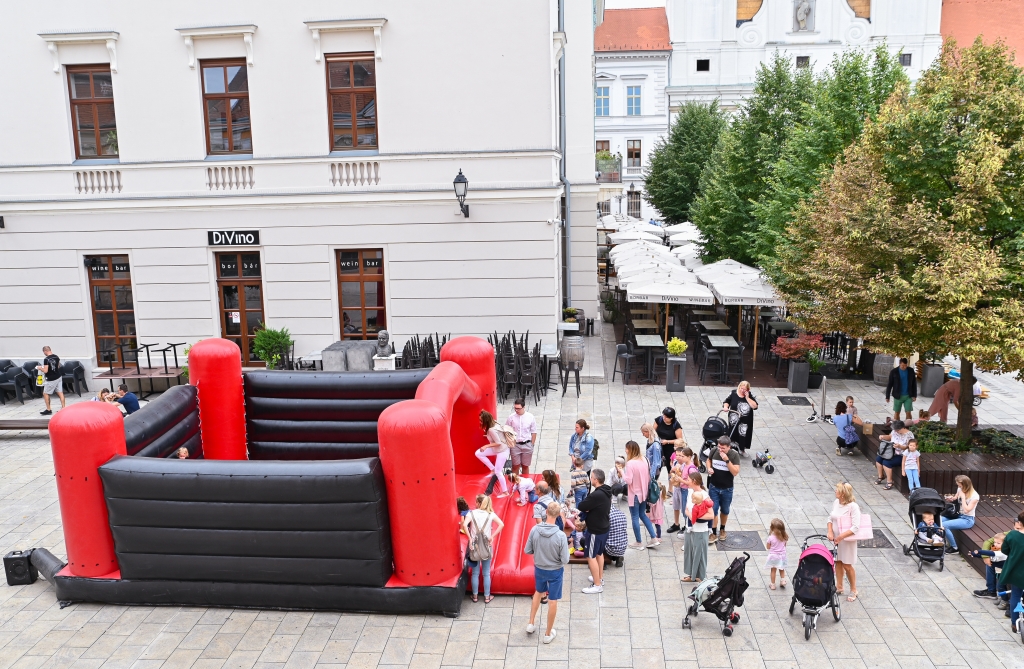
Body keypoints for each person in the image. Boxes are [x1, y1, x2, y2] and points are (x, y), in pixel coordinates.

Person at [525, 502, 570, 644]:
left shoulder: (535, 530)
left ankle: (531, 623)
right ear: (558, 515)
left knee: (538, 592)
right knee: (553, 600)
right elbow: (565, 559)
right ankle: (547, 633)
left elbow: (527, 550)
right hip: (555, 571)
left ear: (546, 512)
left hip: (539, 568)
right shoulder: (561, 535)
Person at [464, 494, 504, 603]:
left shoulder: (471, 513)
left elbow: (464, 525)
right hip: (486, 546)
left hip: (474, 546)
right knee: (486, 573)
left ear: (478, 503)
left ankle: (475, 596)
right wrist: (492, 536)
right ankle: (487, 597)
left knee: (475, 573)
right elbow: (501, 524)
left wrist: (470, 538)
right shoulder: (490, 514)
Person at [578, 469, 612, 594]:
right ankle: (599, 578)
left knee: (590, 556)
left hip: (595, 531)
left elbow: (581, 506)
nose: (590, 479)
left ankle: (597, 585)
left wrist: (588, 509)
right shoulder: (607, 491)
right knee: (599, 553)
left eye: (591, 477)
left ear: (596, 480)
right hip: (604, 528)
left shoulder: (596, 495)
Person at [827, 482, 861, 602]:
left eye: (837, 490)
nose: (835, 491)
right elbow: (830, 518)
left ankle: (853, 589)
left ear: (843, 493)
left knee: (847, 564)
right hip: (837, 539)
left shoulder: (853, 507)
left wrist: (840, 537)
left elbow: (855, 527)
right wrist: (830, 531)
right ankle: (839, 587)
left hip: (847, 540)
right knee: (838, 562)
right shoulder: (836, 502)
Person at [623, 440, 658, 550]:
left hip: (634, 495)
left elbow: (628, 481)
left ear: (630, 450)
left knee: (634, 517)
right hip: (644, 493)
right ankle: (654, 537)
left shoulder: (630, 464)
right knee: (642, 514)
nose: (625, 450)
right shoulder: (645, 459)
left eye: (626, 449)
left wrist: (621, 472)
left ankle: (639, 542)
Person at [706, 435, 740, 544]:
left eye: (723, 448)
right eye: (719, 447)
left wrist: (727, 460)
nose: (720, 450)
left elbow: (735, 472)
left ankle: (722, 529)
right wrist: (709, 468)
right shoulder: (714, 451)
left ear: (729, 447)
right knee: (714, 510)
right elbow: (708, 460)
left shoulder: (734, 455)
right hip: (714, 487)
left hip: (727, 489)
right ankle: (713, 532)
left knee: (725, 510)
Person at [681, 471, 713, 582]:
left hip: (700, 530)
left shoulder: (704, 495)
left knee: (700, 554)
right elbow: (686, 509)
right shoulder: (691, 491)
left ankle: (700, 577)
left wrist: (694, 516)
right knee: (690, 552)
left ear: (694, 481)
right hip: (690, 529)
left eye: (688, 480)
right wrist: (690, 516)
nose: (687, 482)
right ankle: (692, 575)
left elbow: (711, 515)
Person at [997, 511, 1024, 633]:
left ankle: (1015, 623)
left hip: (1015, 571)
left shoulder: (1012, 535)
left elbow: (1005, 550)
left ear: (1020, 522)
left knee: (1015, 596)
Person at [476, 411, 511, 498]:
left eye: (481, 420)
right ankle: (492, 469)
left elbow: (498, 442)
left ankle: (505, 492)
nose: (480, 422)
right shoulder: (493, 423)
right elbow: (497, 436)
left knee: (498, 472)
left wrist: (486, 446)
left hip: (502, 450)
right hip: (497, 448)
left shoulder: (491, 430)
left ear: (486, 420)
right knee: (478, 453)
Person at [943, 475, 980, 554]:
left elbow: (966, 510)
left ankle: (954, 548)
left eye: (960, 486)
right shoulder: (960, 489)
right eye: (958, 485)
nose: (959, 487)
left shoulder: (975, 496)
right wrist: (951, 498)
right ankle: (941, 541)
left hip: (967, 519)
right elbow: (956, 498)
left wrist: (963, 498)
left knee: (944, 525)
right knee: (938, 519)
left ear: (966, 485)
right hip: (957, 514)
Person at [667, 447, 698, 534]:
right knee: (682, 509)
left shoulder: (691, 468)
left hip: (687, 491)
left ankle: (687, 527)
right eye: (679, 455)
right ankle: (683, 526)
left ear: (689, 457)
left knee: (686, 510)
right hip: (681, 489)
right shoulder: (684, 465)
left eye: (682, 456)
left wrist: (681, 480)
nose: (680, 457)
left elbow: (693, 483)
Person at [876, 420, 913, 490]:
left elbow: (908, 447)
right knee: (879, 459)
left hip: (902, 455)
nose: (896, 431)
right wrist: (883, 436)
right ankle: (881, 476)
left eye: (897, 430)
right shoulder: (894, 431)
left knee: (886, 462)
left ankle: (889, 481)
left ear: (902, 428)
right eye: (895, 430)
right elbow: (890, 436)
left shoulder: (909, 435)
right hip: (891, 452)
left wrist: (900, 446)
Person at [723, 381, 758, 455]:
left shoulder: (750, 395)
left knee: (743, 434)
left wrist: (747, 398)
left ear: (748, 389)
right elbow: (727, 401)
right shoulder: (733, 393)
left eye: (744, 389)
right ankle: (730, 448)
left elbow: (755, 406)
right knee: (732, 432)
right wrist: (726, 407)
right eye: (741, 388)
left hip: (745, 420)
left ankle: (742, 449)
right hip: (734, 419)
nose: (742, 390)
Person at [506, 398, 538, 476]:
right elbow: (506, 430)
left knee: (525, 466)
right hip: (515, 445)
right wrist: (510, 442)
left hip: (527, 444)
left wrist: (532, 444)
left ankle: (525, 481)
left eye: (518, 408)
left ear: (524, 407)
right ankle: (515, 481)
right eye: (515, 408)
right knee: (515, 465)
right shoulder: (511, 417)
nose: (516, 410)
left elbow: (534, 431)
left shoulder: (530, 417)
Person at [972, 532, 1007, 600]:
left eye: (998, 543)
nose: (995, 544)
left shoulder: (1004, 552)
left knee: (1000, 586)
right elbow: (991, 556)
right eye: (995, 542)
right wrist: (975, 555)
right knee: (990, 564)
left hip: (1005, 569)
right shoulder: (996, 548)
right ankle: (991, 591)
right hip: (999, 567)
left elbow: (991, 553)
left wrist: (979, 552)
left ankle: (1005, 600)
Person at [35, 346, 65, 415]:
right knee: (60, 392)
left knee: (45, 393)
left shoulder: (46, 359)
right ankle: (63, 408)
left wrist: (40, 368)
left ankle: (48, 409)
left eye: (44, 352)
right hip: (58, 376)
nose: (44, 353)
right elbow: (58, 367)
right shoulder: (56, 357)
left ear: (45, 351)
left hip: (51, 379)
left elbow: (46, 371)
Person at [654, 408, 683, 478]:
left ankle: (670, 482)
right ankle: (654, 480)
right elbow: (653, 431)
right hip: (658, 447)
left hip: (670, 449)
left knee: (670, 468)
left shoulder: (676, 425)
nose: (664, 418)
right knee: (656, 466)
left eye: (666, 417)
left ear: (671, 418)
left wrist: (667, 442)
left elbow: (680, 440)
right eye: (663, 415)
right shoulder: (659, 420)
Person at [765, 518, 789, 590]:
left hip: (774, 556)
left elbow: (768, 547)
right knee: (782, 568)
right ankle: (782, 580)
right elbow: (784, 546)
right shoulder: (784, 536)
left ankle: (772, 585)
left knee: (773, 570)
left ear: (772, 528)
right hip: (782, 556)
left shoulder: (770, 538)